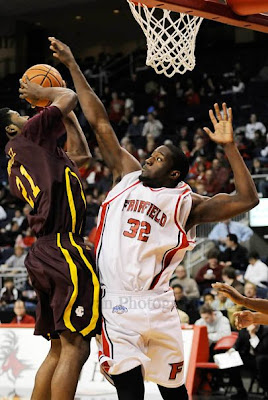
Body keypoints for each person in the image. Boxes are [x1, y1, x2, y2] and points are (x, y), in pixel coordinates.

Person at [50, 36, 259, 400]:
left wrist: (228, 148)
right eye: (152, 154)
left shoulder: (186, 203)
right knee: (130, 393)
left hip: (160, 304)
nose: (149, 158)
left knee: (174, 392)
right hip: (116, 303)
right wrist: (73, 66)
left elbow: (247, 198)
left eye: (159, 158)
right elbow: (100, 123)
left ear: (175, 174)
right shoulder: (127, 174)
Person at [0, 78, 100, 400]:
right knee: (76, 346)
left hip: (45, 250)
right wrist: (47, 95)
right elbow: (69, 96)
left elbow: (82, 155)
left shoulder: (33, 154)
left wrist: (63, 115)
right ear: (11, 129)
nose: (26, 115)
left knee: (58, 348)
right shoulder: (28, 136)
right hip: (61, 246)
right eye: (19, 113)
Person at [228, 323, 268, 400]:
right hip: (248, 357)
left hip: (262, 358)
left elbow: (262, 349)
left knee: (261, 361)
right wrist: (232, 350)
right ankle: (240, 390)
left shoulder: (265, 331)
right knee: (231, 362)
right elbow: (237, 344)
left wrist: (252, 334)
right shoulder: (243, 330)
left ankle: (266, 391)